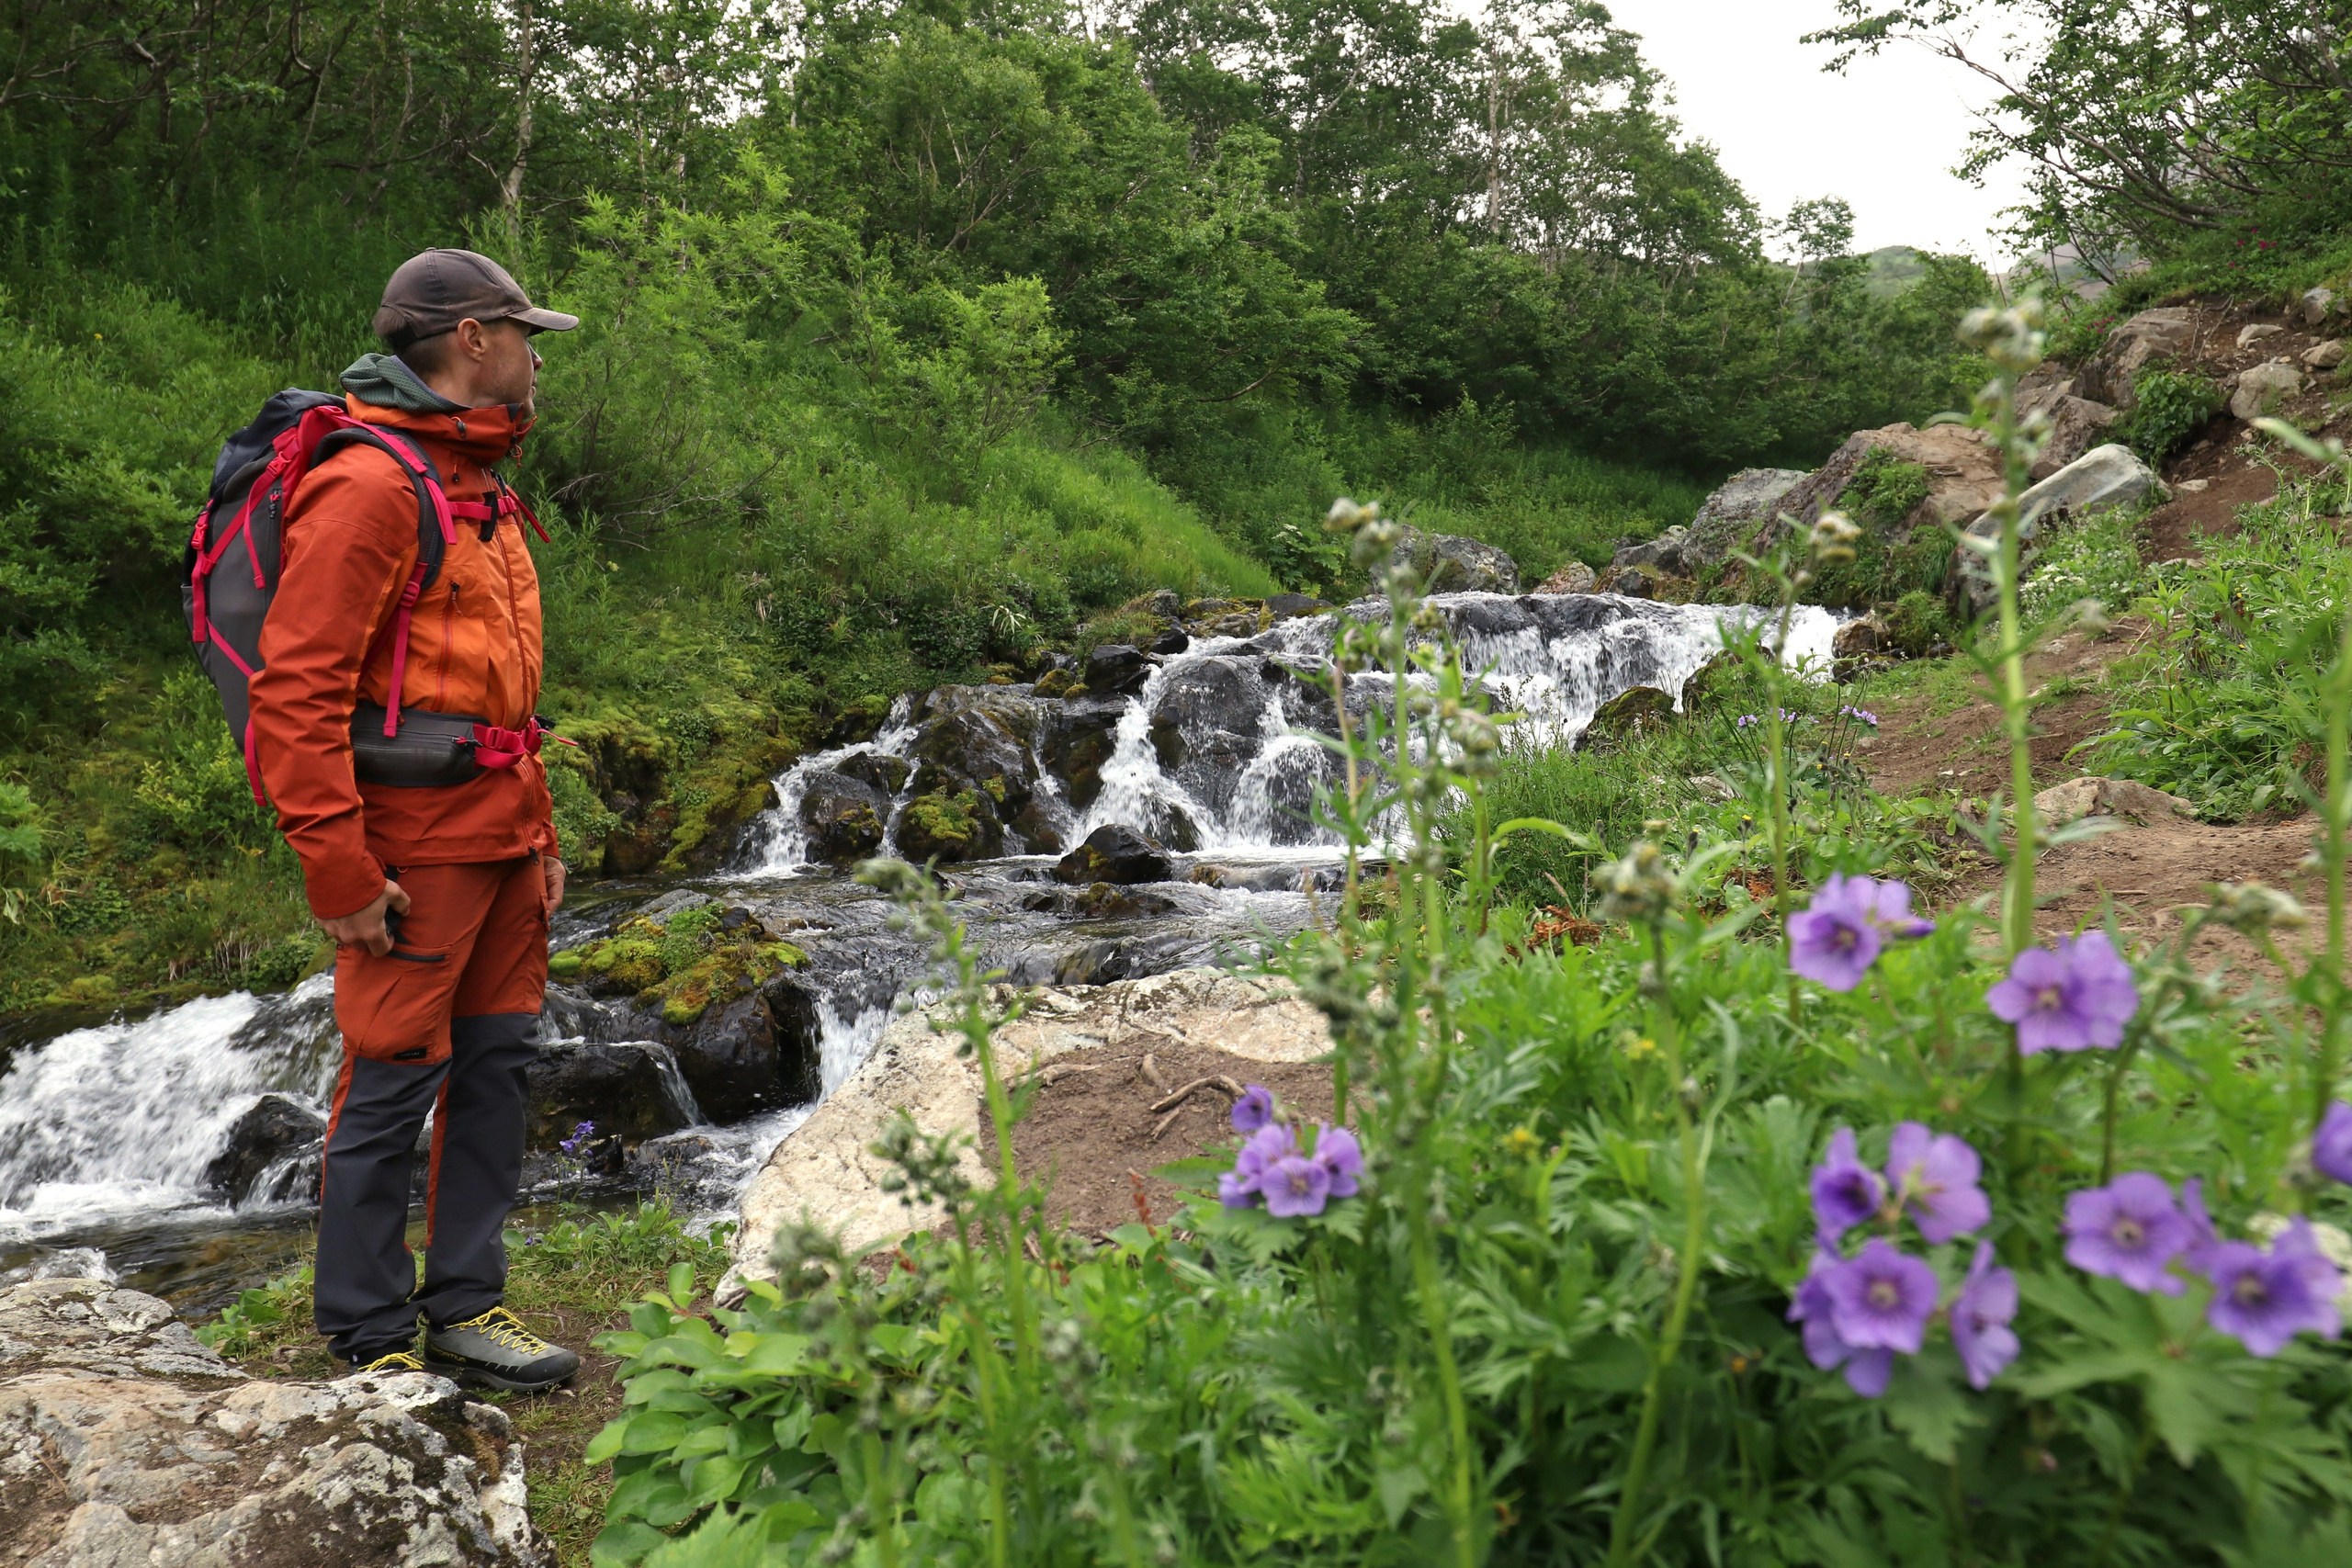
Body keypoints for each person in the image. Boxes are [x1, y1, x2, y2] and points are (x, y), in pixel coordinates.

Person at [248, 249, 582, 1389]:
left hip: (503, 835)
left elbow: (500, 695)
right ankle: (370, 1333)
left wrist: (542, 837)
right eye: (526, 333)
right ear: (474, 340)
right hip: (412, 850)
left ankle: (467, 1305)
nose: (538, 356)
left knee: (496, 1068)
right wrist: (337, 872)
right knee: (393, 1076)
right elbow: (295, 693)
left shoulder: (476, 476)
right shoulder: (371, 485)